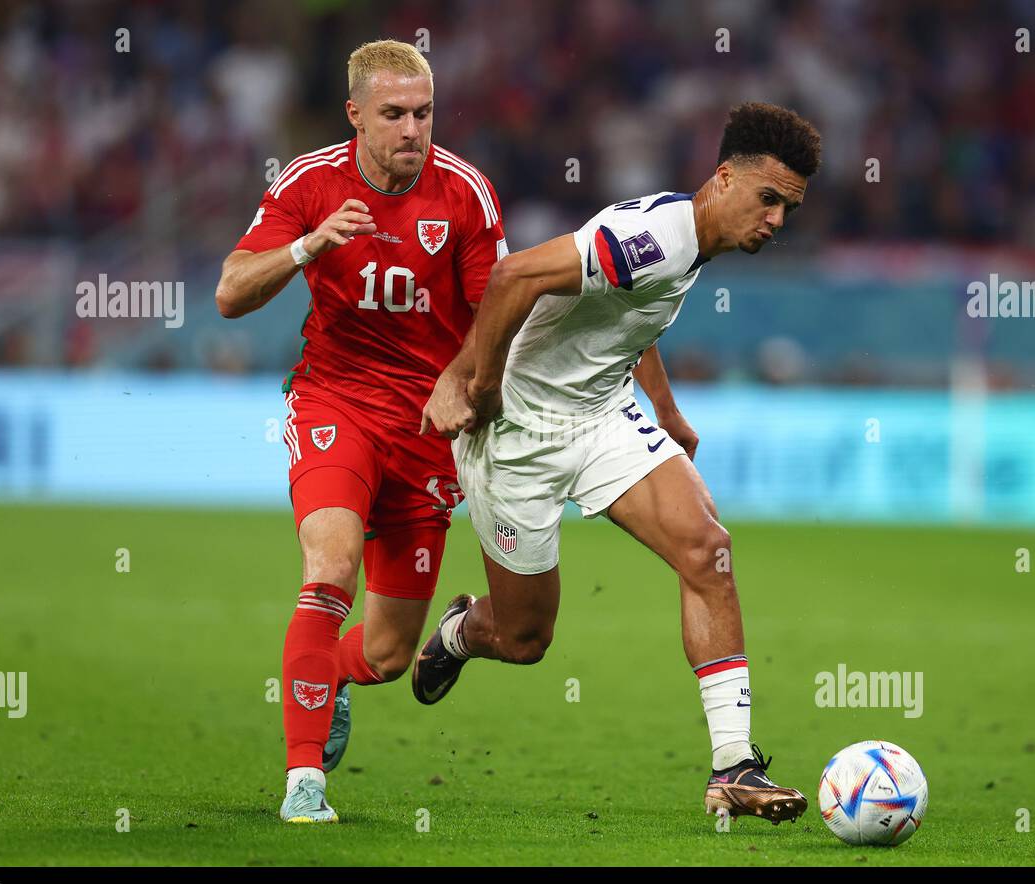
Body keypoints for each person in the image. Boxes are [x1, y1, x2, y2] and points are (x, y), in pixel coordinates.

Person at [414, 102, 821, 824]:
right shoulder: (652, 238)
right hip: (517, 433)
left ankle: (734, 767)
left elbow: (632, 315)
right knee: (524, 638)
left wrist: (664, 409)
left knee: (708, 549)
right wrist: (478, 385)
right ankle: (459, 632)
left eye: (788, 208)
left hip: (603, 416)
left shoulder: (693, 243)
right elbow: (511, 277)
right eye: (769, 200)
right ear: (724, 179)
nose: (777, 221)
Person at [215, 39, 506, 824]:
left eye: (423, 113)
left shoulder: (467, 195)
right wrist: (308, 245)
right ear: (356, 116)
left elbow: (496, 321)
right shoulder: (309, 183)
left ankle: (331, 677)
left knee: (384, 656)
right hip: (334, 404)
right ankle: (304, 780)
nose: (413, 129)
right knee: (330, 570)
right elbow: (230, 292)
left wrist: (467, 389)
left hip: (427, 428)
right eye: (394, 114)